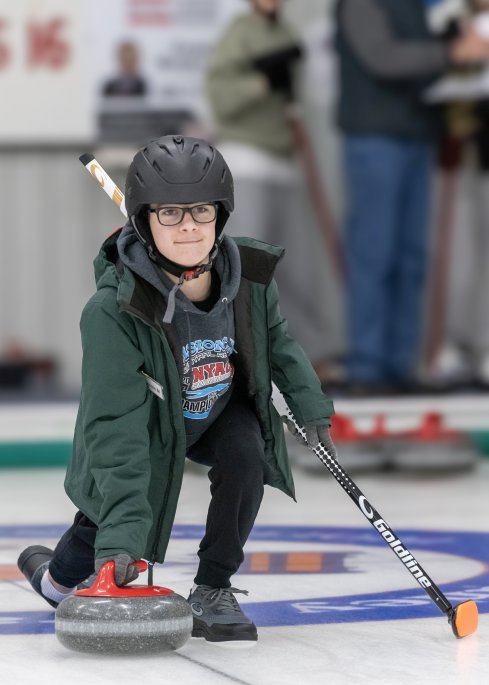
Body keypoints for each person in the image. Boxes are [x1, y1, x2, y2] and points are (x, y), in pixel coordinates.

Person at [17, 135, 336, 644]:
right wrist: (121, 541)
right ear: (144, 221)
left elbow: (278, 343)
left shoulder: (249, 278)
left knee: (246, 454)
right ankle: (54, 579)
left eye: (201, 210)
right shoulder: (112, 312)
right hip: (145, 422)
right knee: (105, 527)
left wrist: (310, 404)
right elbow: (115, 426)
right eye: (169, 213)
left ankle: (213, 587)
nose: (188, 226)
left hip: (215, 410)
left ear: (220, 215)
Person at [336, 0, 489, 394]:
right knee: (375, 253)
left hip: (417, 135)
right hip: (376, 137)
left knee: (412, 258)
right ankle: (368, 368)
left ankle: (400, 365)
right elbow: (383, 57)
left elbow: (422, 62)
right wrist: (450, 52)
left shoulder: (417, 6)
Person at [206, 0, 345, 386]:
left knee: (294, 269)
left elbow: (304, 96)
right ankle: (235, 361)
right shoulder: (239, 33)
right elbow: (220, 99)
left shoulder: (287, 34)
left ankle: (310, 356)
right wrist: (262, 81)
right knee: (245, 268)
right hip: (246, 162)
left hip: (284, 163)